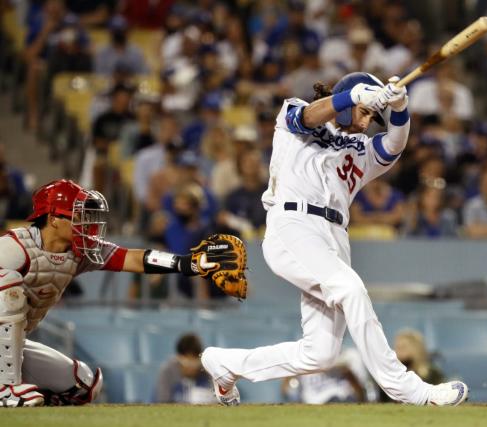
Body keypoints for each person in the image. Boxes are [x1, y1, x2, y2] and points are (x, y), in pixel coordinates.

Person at [201, 72, 468, 406]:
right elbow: (308, 117)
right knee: (351, 289)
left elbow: (395, 144)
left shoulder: (362, 150)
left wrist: (400, 107)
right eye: (366, 112)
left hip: (334, 237)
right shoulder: (294, 113)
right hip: (292, 224)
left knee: (320, 354)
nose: (369, 119)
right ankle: (408, 389)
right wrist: (356, 96)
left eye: (373, 114)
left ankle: (224, 364)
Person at [0, 179, 245, 407]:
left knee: (83, 384)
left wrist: (187, 263)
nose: (86, 221)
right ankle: (6, 388)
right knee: (7, 286)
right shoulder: (15, 246)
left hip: (12, 348)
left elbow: (134, 259)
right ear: (53, 219)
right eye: (78, 215)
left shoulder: (79, 251)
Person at [379, 329, 444, 402]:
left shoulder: (431, 374)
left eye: (403, 347)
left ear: (416, 349)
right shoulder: (391, 375)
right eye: (397, 347)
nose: (398, 351)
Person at [155, 333, 216, 404]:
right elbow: (162, 401)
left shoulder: (207, 371)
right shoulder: (167, 371)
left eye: (194, 363)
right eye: (187, 362)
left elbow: (217, 400)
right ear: (178, 358)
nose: (190, 368)